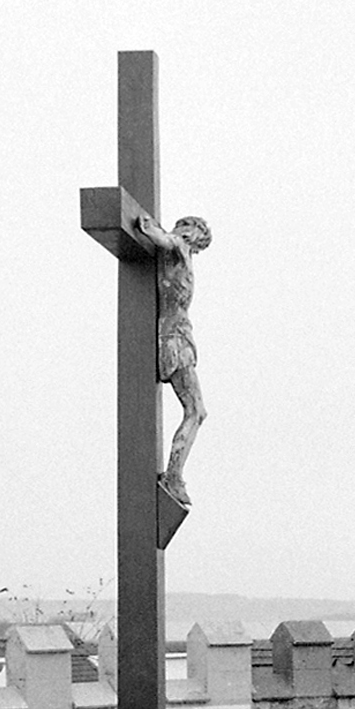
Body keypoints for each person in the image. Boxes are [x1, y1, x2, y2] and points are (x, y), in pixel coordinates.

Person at [154, 214, 211, 511]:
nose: (196, 241)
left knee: (198, 412)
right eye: (197, 234)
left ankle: (175, 475)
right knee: (196, 410)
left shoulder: (183, 252)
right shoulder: (177, 245)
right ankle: (174, 476)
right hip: (175, 337)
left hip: (181, 336)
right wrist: (149, 227)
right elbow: (162, 238)